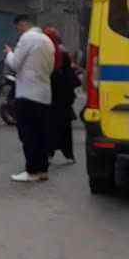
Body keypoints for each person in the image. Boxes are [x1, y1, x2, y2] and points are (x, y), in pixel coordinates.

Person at [4, 14, 55, 183]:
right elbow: (51, 68)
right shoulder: (47, 41)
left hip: (27, 94)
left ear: (23, 24)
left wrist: (9, 53)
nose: (18, 31)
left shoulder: (27, 38)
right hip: (44, 94)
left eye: (18, 27)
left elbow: (14, 64)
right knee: (41, 134)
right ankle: (42, 170)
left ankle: (32, 171)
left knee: (28, 135)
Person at [44, 26, 78, 164]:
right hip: (63, 95)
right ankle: (68, 154)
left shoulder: (47, 51)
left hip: (51, 94)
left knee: (49, 126)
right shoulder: (62, 51)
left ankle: (49, 153)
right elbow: (69, 73)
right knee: (64, 127)